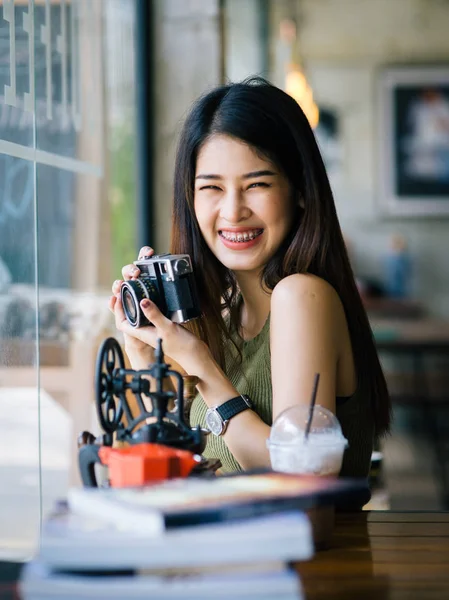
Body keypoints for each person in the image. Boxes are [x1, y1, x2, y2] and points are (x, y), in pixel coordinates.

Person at [109, 77, 391, 490]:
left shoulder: (302, 297)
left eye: (257, 184)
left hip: (306, 556)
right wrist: (144, 357)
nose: (233, 210)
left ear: (299, 191)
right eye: (211, 188)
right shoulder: (221, 315)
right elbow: (171, 474)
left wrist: (202, 369)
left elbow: (300, 483)